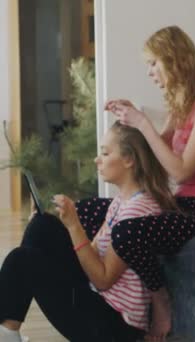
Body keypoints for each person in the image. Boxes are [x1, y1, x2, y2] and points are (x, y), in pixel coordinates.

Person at [80, 25, 195, 340]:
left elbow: (181, 171)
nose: (151, 72)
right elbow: (156, 154)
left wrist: (142, 123)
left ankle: (159, 300)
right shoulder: (184, 101)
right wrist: (132, 119)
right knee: (85, 211)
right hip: (183, 203)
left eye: (154, 63)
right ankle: (96, 299)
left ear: (173, 59)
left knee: (126, 232)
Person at [0, 122, 176, 342]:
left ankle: (6, 334)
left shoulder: (137, 210)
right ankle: (8, 332)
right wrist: (62, 233)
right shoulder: (123, 200)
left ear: (129, 160)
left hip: (112, 326)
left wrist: (74, 226)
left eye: (105, 152)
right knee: (42, 226)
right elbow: (92, 254)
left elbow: (103, 280)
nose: (97, 159)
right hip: (97, 298)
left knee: (22, 260)